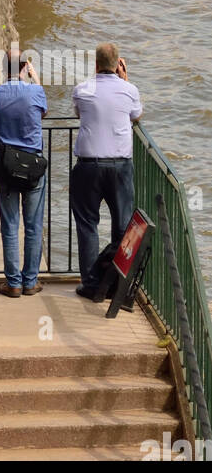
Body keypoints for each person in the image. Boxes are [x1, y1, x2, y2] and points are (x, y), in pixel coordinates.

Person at [70, 43, 142, 300]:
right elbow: (136, 115)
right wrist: (126, 80)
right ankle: (116, 283)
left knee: (87, 223)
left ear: (96, 64)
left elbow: (80, 114)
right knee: (123, 226)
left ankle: (91, 283)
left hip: (88, 165)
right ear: (117, 65)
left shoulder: (82, 90)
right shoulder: (129, 90)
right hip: (120, 166)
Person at [0, 51, 48, 298]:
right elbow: (44, 110)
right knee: (33, 226)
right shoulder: (35, 91)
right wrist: (36, 78)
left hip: (6, 165)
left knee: (10, 225)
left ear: (2, 67)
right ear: (24, 67)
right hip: (33, 166)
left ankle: (13, 283)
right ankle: (30, 281)